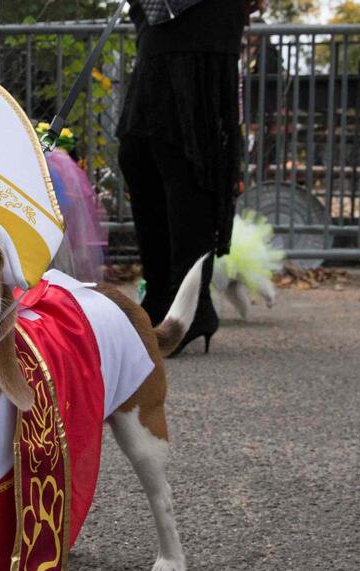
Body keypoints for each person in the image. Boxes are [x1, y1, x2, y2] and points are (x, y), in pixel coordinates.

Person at [117, 0, 262, 355]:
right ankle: (164, 293)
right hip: (158, 21)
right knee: (138, 154)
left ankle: (189, 302)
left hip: (203, 25)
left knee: (184, 156)